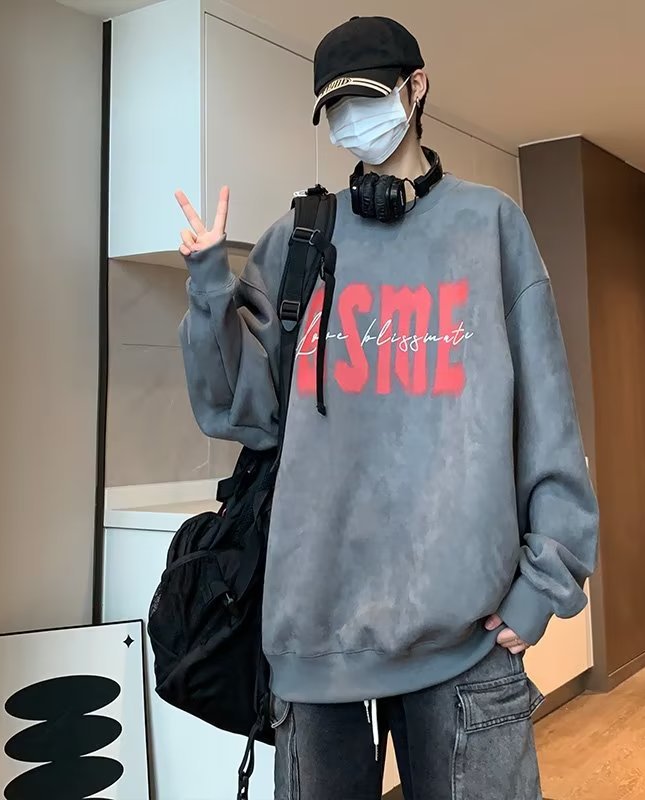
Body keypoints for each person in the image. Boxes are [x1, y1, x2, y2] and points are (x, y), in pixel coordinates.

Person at [175, 15, 598, 800]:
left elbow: (549, 419)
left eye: (366, 97)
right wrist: (208, 288)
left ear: (417, 87)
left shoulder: (491, 226)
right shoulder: (298, 239)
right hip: (315, 637)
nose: (351, 120)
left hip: (468, 637)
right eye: (335, 107)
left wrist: (544, 585)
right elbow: (242, 415)